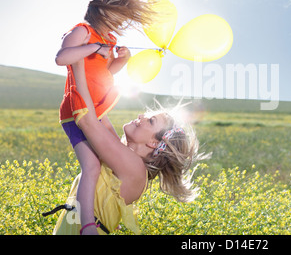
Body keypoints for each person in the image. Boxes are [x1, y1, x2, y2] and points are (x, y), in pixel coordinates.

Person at [54, 0, 154, 234]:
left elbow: (104, 75)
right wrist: (93, 48)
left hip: (96, 110)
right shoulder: (83, 32)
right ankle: (87, 225)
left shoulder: (108, 39)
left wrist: (122, 60)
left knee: (103, 168)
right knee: (92, 167)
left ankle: (101, 215)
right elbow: (61, 58)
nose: (120, 25)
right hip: (77, 111)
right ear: (104, 11)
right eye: (118, 17)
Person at [50, 92, 205, 234]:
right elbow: (100, 115)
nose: (141, 116)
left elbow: (87, 121)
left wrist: (76, 67)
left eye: (151, 121)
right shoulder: (124, 161)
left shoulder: (134, 167)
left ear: (153, 142)